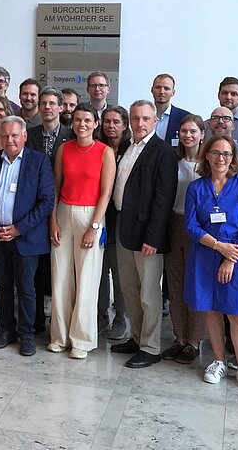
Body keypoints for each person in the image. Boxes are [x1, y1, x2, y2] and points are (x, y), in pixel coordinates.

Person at [184, 134, 238, 393]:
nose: (221, 158)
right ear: (207, 155)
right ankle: (218, 361)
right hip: (204, 255)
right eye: (216, 153)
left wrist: (229, 258)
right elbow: (191, 225)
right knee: (211, 309)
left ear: (233, 158)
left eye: (226, 154)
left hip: (236, 257)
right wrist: (218, 246)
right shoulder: (196, 188)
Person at [0, 117, 55, 356]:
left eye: (14, 135)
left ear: (24, 136)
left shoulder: (39, 161)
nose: (10, 140)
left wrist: (19, 228)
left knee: (26, 288)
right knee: (3, 286)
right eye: (5, 136)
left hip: (26, 238)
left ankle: (27, 334)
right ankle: (5, 330)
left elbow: (46, 201)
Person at [108, 100, 177, 369]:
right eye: (135, 118)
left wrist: (154, 237)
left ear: (155, 121)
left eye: (145, 118)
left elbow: (163, 199)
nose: (140, 123)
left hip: (147, 234)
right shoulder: (127, 146)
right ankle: (136, 338)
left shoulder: (163, 152)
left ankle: (150, 347)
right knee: (129, 289)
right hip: (123, 226)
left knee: (148, 293)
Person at [47, 108, 115, 359]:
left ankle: (82, 340)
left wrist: (94, 227)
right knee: (60, 277)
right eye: (78, 120)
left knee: (87, 278)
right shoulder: (64, 149)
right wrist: (53, 220)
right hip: (64, 213)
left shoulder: (105, 152)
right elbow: (55, 187)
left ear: (96, 124)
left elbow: (106, 193)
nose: (82, 124)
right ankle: (59, 336)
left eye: (87, 120)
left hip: (91, 215)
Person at [161, 115, 208, 364]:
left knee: (196, 285)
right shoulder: (173, 161)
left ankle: (194, 341)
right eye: (184, 131)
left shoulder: (209, 163)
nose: (188, 135)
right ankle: (179, 338)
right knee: (175, 284)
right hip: (174, 223)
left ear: (202, 134)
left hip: (200, 229)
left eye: (193, 131)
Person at [27, 87, 72, 332]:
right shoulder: (29, 135)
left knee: (60, 266)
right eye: (43, 103)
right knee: (36, 267)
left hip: (63, 206)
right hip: (33, 208)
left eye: (52, 103)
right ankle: (35, 319)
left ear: (60, 107)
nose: (47, 107)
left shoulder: (71, 135)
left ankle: (59, 320)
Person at [97, 105, 131, 339]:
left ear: (125, 125)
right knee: (99, 270)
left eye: (116, 122)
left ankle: (120, 316)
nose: (111, 126)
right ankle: (101, 315)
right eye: (107, 121)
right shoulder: (97, 147)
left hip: (122, 218)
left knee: (120, 273)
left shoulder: (131, 149)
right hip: (99, 215)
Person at [150, 73, 193, 146]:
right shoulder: (143, 117)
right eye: (158, 87)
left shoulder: (185, 118)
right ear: (152, 90)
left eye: (166, 88)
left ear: (173, 92)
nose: (161, 92)